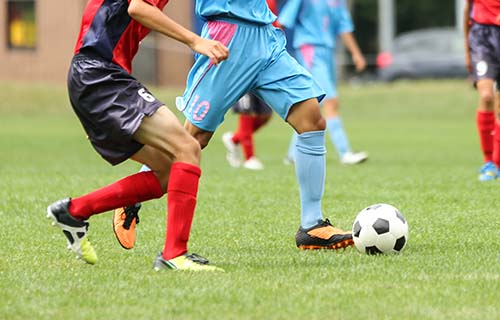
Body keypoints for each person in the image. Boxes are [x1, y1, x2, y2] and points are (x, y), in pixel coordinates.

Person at [115, 0, 354, 252]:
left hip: (266, 37)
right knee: (193, 138)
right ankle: (132, 198)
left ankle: (312, 225)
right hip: (227, 38)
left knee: (312, 120)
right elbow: (140, 8)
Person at [46, 0, 229, 271]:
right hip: (100, 76)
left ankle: (74, 211)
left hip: (95, 79)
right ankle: (175, 255)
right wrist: (194, 41)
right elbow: (138, 8)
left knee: (168, 168)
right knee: (187, 147)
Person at [277, 0, 368, 165]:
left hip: (328, 52)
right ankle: (345, 152)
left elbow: (344, 26)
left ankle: (293, 155)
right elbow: (283, 21)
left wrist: (356, 53)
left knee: (311, 104)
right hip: (309, 49)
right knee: (330, 102)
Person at [464, 0, 500, 181]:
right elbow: (467, 12)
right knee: (486, 96)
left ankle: (497, 163)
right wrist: (467, 52)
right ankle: (488, 162)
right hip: (482, 37)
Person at [222, 93, 273, 170]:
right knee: (246, 113)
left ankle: (234, 139)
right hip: (242, 82)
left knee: (267, 113)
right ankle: (249, 158)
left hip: (259, 82)